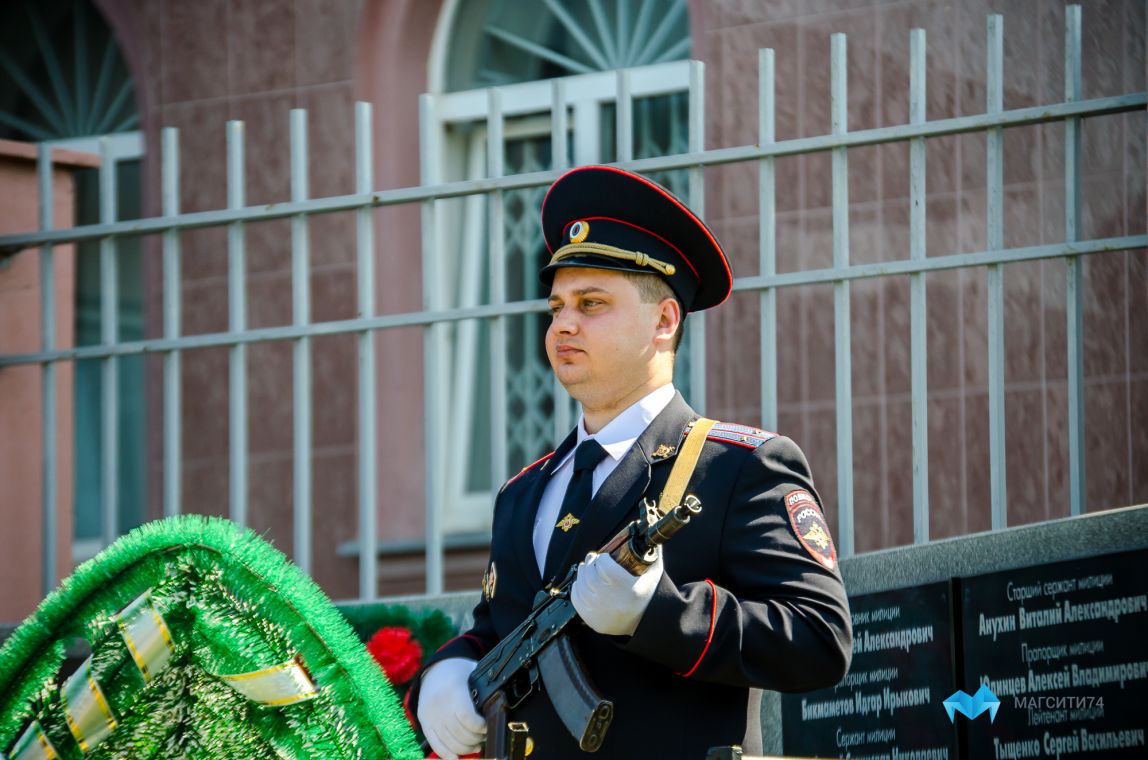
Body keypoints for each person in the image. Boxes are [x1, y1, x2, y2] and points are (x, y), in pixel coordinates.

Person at [411, 165, 852, 758]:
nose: (564, 323)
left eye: (592, 303)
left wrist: (661, 613)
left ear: (664, 321)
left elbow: (820, 638)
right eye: (557, 305)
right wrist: (448, 671)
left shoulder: (740, 467)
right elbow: (500, 630)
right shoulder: (523, 494)